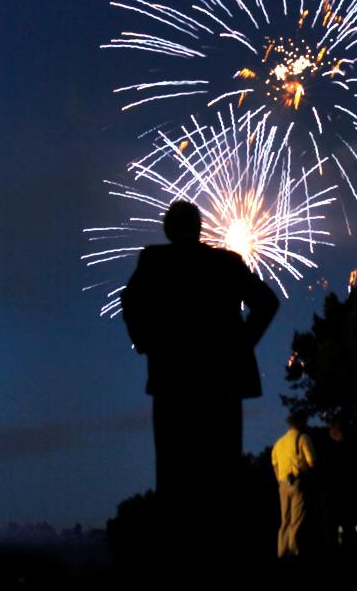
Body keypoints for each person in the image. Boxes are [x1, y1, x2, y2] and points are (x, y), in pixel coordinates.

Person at [119, 201, 278, 552]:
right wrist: (240, 347)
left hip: (173, 385)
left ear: (167, 230)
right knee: (222, 479)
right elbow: (268, 302)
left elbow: (129, 304)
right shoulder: (226, 263)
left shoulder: (154, 261)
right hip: (222, 386)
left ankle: (180, 562)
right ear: (200, 227)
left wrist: (144, 341)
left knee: (174, 479)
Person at [272, 412, 316, 558]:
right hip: (298, 481)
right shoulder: (303, 438)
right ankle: (294, 551)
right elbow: (311, 462)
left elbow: (275, 465)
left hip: (282, 484)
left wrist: (280, 481)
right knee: (296, 520)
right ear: (301, 423)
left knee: (285, 520)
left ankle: (281, 552)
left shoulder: (279, 443)